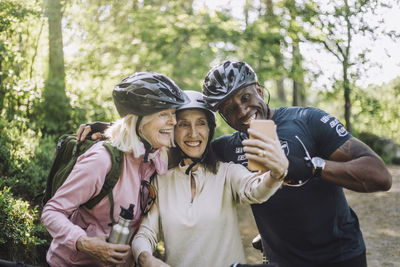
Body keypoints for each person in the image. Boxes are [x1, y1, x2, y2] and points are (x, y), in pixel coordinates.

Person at [202, 60, 393, 267]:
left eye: (246, 98)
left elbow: (380, 176)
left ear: (259, 90)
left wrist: (314, 167)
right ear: (222, 116)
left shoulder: (308, 120)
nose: (242, 111)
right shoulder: (226, 149)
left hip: (340, 256)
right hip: (282, 261)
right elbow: (183, 162)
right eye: (229, 109)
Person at [41, 72, 189, 267]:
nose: (173, 121)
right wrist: (84, 242)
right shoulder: (102, 160)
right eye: (163, 114)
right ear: (138, 121)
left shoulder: (157, 157)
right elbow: (51, 212)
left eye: (173, 113)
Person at [131, 90, 288, 267]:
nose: (193, 133)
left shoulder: (227, 173)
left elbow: (255, 190)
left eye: (201, 123)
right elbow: (146, 233)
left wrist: (275, 175)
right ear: (173, 131)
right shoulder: (161, 181)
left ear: (210, 129)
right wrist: (145, 258)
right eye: (183, 124)